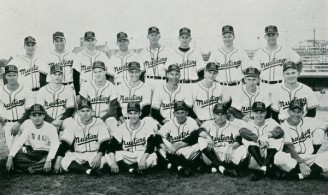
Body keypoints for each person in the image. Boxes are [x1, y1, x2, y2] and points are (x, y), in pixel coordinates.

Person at [55, 99, 111, 176]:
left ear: (92, 112)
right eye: (82, 111)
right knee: (64, 161)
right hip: (79, 154)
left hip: (95, 153)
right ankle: (88, 170)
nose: (85, 113)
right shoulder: (73, 124)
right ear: (78, 113)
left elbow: (104, 143)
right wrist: (58, 162)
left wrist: (98, 156)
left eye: (88, 110)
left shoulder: (99, 123)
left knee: (106, 159)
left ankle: (84, 168)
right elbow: (64, 144)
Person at [275, 99, 328, 180]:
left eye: (299, 111)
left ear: (303, 113)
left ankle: (298, 176)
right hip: (293, 159)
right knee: (279, 157)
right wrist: (301, 163)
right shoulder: (283, 126)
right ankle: (314, 172)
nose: (296, 114)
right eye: (293, 111)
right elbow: (290, 148)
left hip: (309, 157)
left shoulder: (309, 121)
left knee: (320, 132)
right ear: (289, 112)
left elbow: (326, 125)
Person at [107, 102, 159, 176]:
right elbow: (111, 145)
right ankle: (133, 169)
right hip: (127, 155)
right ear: (127, 114)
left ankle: (126, 167)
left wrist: (143, 159)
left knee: (153, 156)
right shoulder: (122, 127)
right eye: (130, 113)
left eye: (135, 113)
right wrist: (113, 162)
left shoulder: (146, 126)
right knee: (109, 156)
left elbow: (151, 145)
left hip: (141, 153)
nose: (133, 116)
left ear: (140, 113)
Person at [239, 102, 286, 181]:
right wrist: (258, 139)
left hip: (270, 155)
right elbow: (242, 131)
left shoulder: (270, 121)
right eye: (256, 112)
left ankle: (263, 169)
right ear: (252, 113)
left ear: (266, 113)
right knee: (247, 141)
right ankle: (266, 168)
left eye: (262, 112)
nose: (259, 115)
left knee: (277, 140)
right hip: (254, 158)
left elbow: (280, 131)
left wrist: (268, 135)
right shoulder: (249, 123)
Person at [6, 104, 59, 174]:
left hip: (46, 153)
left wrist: (49, 160)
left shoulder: (50, 127)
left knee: (52, 159)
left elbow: (55, 145)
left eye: (40, 115)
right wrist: (10, 157)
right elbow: (19, 142)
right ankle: (37, 168)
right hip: (34, 153)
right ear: (30, 117)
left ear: (44, 116)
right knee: (14, 157)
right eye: (34, 115)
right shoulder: (29, 126)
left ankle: (28, 169)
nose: (37, 118)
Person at [197, 103, 248, 177]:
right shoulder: (208, 123)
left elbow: (238, 139)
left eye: (222, 114)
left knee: (243, 148)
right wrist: (208, 137)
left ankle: (215, 167)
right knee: (201, 139)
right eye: (217, 114)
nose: (220, 117)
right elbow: (200, 131)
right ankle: (223, 168)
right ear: (213, 114)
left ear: (226, 114)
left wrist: (231, 148)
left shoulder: (232, 125)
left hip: (228, 154)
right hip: (213, 153)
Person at [154, 101, 201, 177]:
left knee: (201, 142)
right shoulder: (170, 122)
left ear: (187, 112)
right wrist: (163, 145)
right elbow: (158, 136)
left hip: (188, 148)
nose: (180, 115)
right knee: (162, 144)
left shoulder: (191, 121)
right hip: (173, 150)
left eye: (182, 112)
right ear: (174, 113)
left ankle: (176, 165)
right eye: (177, 113)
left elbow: (194, 136)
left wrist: (178, 146)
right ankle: (182, 166)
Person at [252, 25, 302, 94]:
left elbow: (299, 62)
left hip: (280, 84)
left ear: (277, 35)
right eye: (269, 35)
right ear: (265, 37)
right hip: (264, 85)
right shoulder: (259, 52)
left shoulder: (286, 50)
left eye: (273, 35)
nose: (271, 37)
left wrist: (294, 77)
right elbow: (256, 71)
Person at [207, 25, 251, 97]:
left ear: (234, 37)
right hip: (221, 87)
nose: (227, 39)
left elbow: (247, 72)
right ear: (222, 37)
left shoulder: (241, 52)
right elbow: (210, 72)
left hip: (238, 87)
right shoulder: (215, 53)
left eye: (229, 36)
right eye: (225, 37)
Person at [79, 61, 119, 131]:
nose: (98, 74)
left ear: (105, 71)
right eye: (95, 72)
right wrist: (91, 117)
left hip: (106, 117)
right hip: (90, 116)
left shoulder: (112, 87)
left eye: (100, 71)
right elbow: (82, 105)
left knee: (112, 122)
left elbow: (113, 109)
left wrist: (102, 119)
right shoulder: (86, 86)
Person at [1, 65, 33, 149]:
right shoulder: (1, 91)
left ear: (18, 75)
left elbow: (29, 110)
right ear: (5, 76)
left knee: (26, 149)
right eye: (9, 75)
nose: (12, 78)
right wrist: (1, 120)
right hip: (8, 124)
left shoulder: (26, 90)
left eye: (14, 75)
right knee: (13, 153)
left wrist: (18, 123)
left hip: (24, 122)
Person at [139, 26, 178, 92]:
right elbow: (141, 73)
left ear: (159, 37)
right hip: (148, 81)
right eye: (151, 35)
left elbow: (170, 72)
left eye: (155, 35)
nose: (154, 37)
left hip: (162, 81)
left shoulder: (168, 52)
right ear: (148, 37)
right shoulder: (143, 52)